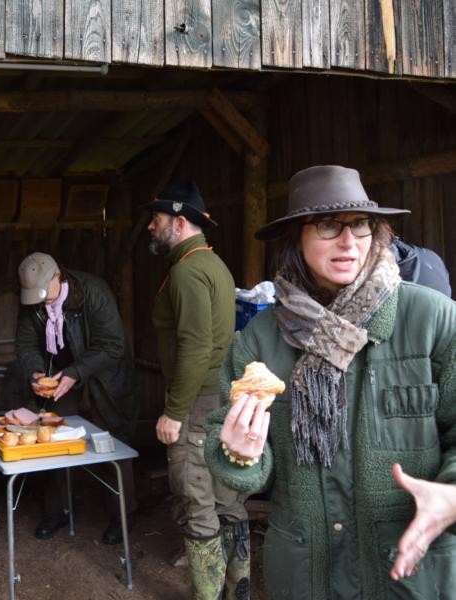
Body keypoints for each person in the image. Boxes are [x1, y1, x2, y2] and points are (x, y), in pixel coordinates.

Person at [205, 165, 456, 599]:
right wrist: (240, 455)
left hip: (413, 575)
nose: (348, 242)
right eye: (327, 226)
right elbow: (223, 441)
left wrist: (452, 495)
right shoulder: (261, 339)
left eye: (360, 225)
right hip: (308, 576)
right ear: (295, 239)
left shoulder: (432, 319)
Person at [144, 181, 250, 599]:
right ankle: (237, 589)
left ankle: (210, 595)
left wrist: (173, 411)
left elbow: (195, 344)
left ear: (180, 221)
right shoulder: (213, 264)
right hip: (220, 398)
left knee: (196, 503)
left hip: (196, 405)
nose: (151, 226)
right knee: (227, 500)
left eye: (157, 219)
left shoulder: (187, 271)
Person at [14, 252, 138, 544]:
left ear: (58, 275)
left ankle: (123, 514)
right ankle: (58, 510)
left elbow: (112, 345)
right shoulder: (34, 302)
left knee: (111, 441)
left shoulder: (94, 292)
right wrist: (34, 373)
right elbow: (26, 343)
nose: (41, 301)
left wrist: (74, 372)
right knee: (54, 432)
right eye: (34, 296)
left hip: (104, 375)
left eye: (44, 293)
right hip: (62, 376)